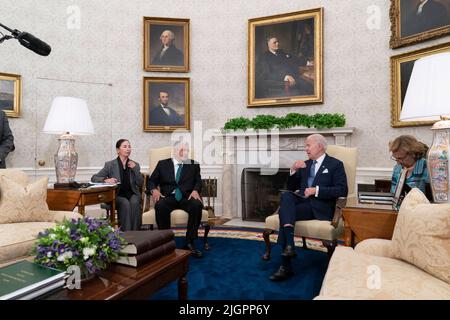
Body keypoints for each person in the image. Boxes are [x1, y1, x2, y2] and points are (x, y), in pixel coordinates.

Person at [269, 134, 348, 281]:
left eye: (308, 145)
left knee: (284, 214)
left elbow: (342, 190)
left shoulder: (335, 164)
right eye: (305, 145)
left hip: (321, 208)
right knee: (286, 196)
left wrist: (316, 190)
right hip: (304, 205)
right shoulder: (305, 165)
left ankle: (285, 266)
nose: (306, 149)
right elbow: (291, 188)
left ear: (320, 146)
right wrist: (293, 170)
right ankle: (290, 247)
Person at [146, 141, 204, 258]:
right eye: (181, 150)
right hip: (168, 196)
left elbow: (198, 181)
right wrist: (154, 190)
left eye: (186, 150)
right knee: (160, 206)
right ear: (174, 151)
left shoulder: (193, 165)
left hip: (186, 197)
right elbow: (151, 181)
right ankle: (166, 242)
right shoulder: (162, 164)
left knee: (196, 205)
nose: (184, 152)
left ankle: (189, 242)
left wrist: (195, 190)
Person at [91, 139, 143, 231]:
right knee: (125, 203)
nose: (128, 149)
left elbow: (140, 182)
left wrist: (135, 169)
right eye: (125, 146)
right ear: (118, 150)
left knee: (135, 202)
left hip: (132, 193)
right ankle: (126, 234)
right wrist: (106, 180)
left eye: (129, 146)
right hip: (116, 195)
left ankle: (136, 233)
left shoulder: (135, 164)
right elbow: (94, 178)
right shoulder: (110, 165)